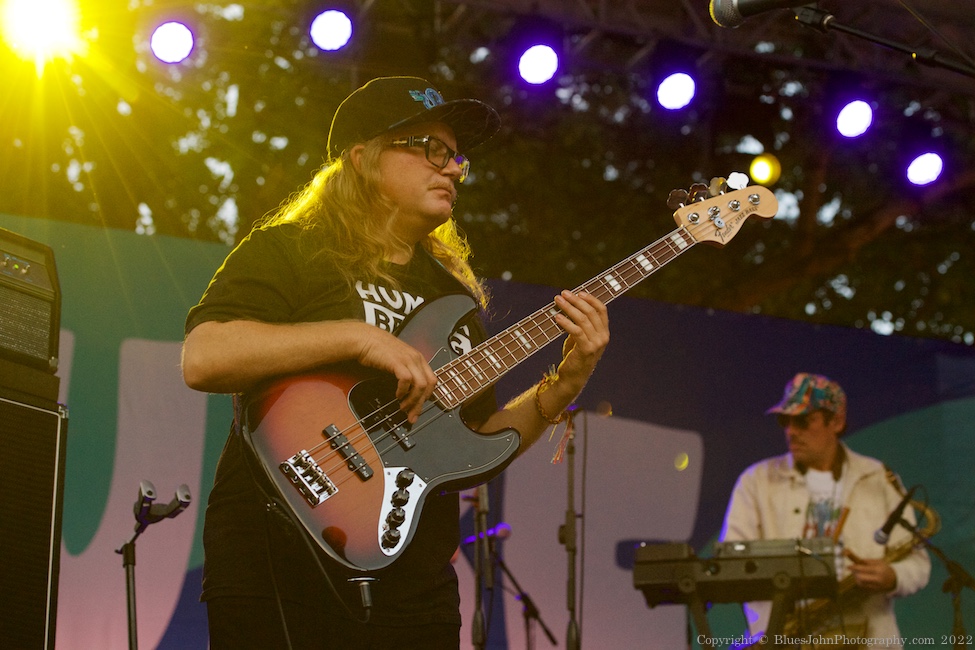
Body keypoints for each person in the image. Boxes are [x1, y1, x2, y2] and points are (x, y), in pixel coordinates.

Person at [181, 76, 609, 649]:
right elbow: (205, 357)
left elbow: (474, 440)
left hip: (414, 591)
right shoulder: (290, 250)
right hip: (276, 567)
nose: (453, 168)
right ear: (363, 158)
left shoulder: (452, 300)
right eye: (431, 149)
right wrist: (357, 338)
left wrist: (564, 384)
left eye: (456, 156)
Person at [720, 373, 931, 649]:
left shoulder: (878, 478)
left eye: (803, 421)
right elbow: (731, 564)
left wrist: (893, 576)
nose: (791, 431)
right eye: (785, 421)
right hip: (784, 640)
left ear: (837, 422)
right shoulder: (756, 481)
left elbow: (918, 563)